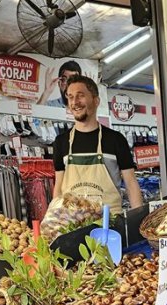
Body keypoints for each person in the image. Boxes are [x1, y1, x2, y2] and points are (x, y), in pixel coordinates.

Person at [51, 75, 143, 211]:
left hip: (109, 225)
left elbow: (130, 182)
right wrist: (54, 219)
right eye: (70, 97)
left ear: (96, 100)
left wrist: (138, 218)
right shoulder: (61, 142)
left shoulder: (116, 140)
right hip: (72, 226)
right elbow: (58, 186)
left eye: (80, 95)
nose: (74, 102)